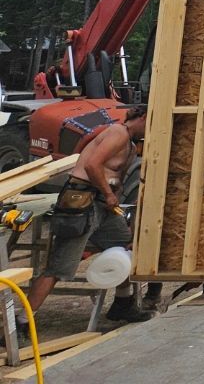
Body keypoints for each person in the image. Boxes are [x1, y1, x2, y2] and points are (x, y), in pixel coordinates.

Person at [29, 112, 152, 323]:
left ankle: (122, 304)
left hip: (103, 207)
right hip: (83, 202)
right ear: (141, 117)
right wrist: (108, 193)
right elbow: (92, 165)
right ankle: (22, 320)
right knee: (60, 267)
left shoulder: (130, 144)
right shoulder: (118, 133)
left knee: (124, 247)